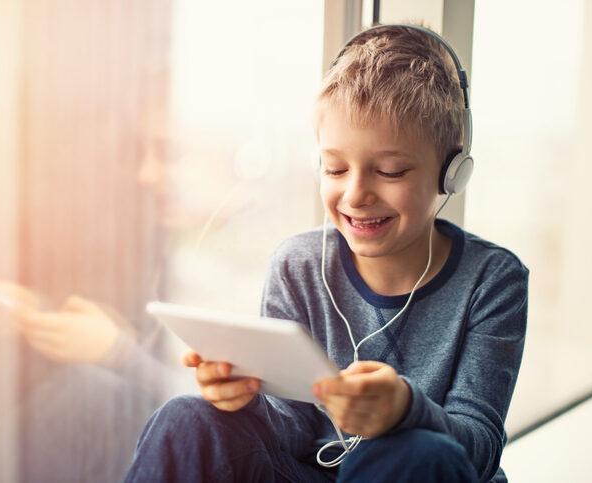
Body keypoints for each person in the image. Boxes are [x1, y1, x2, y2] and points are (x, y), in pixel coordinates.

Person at [124, 24, 528, 483]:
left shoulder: (493, 280)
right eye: (335, 168)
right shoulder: (297, 266)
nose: (356, 194)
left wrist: (405, 412)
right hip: (311, 474)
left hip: (417, 470)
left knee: (415, 453)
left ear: (451, 173)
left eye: (390, 171)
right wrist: (248, 396)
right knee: (186, 418)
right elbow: (293, 427)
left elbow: (479, 449)